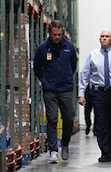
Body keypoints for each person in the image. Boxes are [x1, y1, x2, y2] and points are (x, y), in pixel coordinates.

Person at [77, 30, 111, 163]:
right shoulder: (93, 55)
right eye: (102, 37)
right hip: (98, 92)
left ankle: (109, 148)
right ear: (99, 39)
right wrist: (81, 94)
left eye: (107, 37)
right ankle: (104, 150)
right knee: (100, 120)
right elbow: (84, 75)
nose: (104, 39)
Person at [33, 20, 78, 163]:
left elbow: (73, 65)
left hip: (66, 88)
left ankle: (65, 143)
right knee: (52, 118)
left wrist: (66, 78)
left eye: (59, 34)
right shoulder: (42, 48)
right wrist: (45, 81)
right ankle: (53, 150)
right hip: (50, 90)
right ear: (49, 33)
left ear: (62, 32)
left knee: (68, 118)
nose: (57, 37)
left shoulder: (69, 47)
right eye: (54, 35)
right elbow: (37, 67)